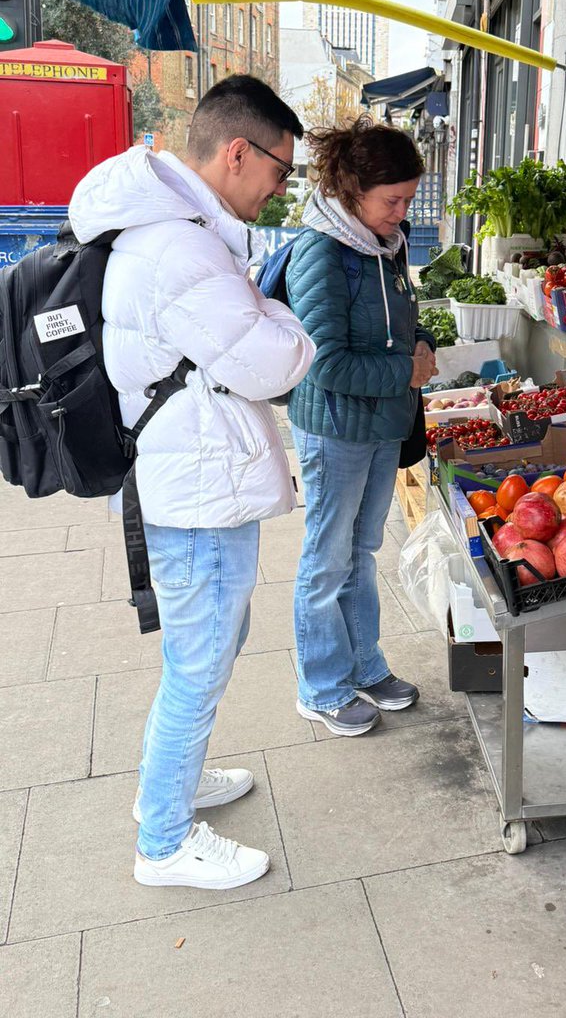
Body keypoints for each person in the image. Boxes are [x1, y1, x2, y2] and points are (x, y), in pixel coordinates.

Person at [68, 76, 316, 890]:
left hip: (191, 474)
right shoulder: (182, 247)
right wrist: (284, 320)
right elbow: (273, 360)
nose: (280, 191)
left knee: (202, 648)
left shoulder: (172, 230)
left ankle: (167, 786)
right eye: (280, 171)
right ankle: (166, 841)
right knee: (202, 660)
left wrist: (257, 310)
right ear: (237, 151)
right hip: (196, 487)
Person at [285, 116, 436, 736]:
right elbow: (325, 361)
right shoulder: (322, 252)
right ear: (352, 192)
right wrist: (406, 372)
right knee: (327, 558)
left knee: (362, 552)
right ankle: (321, 686)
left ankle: (366, 668)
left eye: (407, 200)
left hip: (379, 427)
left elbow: (403, 320)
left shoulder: (384, 246)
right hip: (334, 430)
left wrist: (419, 347)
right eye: (391, 201)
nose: (401, 214)